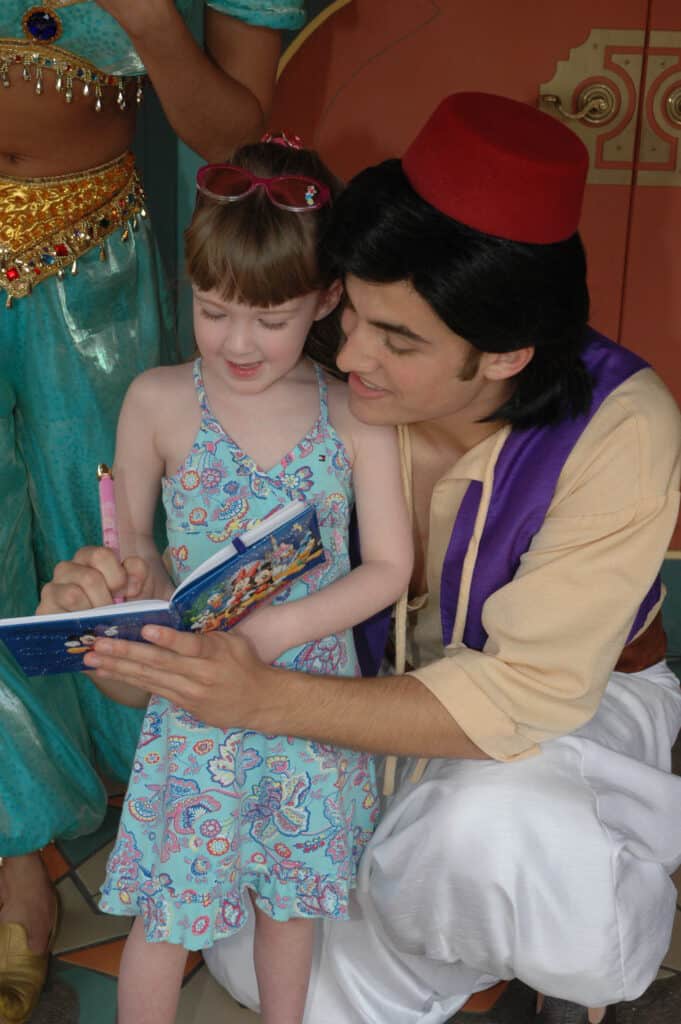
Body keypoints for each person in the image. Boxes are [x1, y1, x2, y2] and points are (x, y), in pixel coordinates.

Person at [39, 92, 681, 1024]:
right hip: (339, 716)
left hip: (553, 716)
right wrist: (109, 625)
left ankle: (604, 947)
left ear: (502, 354)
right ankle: (457, 922)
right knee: (281, 969)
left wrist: (264, 692)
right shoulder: (312, 383)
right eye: (351, 315)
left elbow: (521, 695)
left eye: (398, 339)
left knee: (494, 832)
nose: (350, 353)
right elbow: (189, 655)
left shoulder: (620, 425)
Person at [0, 2, 306, 1021]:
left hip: (88, 256)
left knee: (112, 544)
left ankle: (170, 816)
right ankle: (16, 860)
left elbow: (234, 135)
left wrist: (147, 21)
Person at [80, 138, 411, 1024]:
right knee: (167, 910)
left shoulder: (354, 417)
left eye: (269, 319)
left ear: (328, 298)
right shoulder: (156, 401)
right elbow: (135, 537)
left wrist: (271, 633)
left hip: (308, 700)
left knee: (289, 903)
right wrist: (136, 568)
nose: (236, 341)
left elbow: (388, 567)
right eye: (213, 309)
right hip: (194, 701)